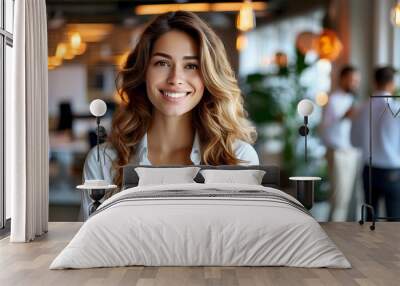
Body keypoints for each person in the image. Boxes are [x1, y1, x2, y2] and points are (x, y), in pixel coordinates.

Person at [80, 11, 259, 220]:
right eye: (162, 63)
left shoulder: (239, 159)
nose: (176, 79)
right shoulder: (103, 161)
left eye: (191, 66)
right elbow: (88, 244)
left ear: (209, 76)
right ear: (143, 71)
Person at [351, 66, 400, 220]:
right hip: (393, 170)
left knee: (371, 219)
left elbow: (354, 141)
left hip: (369, 169)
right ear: (392, 84)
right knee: (395, 219)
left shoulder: (362, 108)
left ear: (374, 82)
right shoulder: (396, 108)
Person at [320, 65, 362, 221]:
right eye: (352, 80)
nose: (355, 83)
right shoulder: (333, 100)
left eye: (357, 80)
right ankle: (335, 234)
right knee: (339, 197)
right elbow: (326, 127)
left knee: (353, 197)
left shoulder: (352, 99)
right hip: (338, 152)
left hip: (353, 152)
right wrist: (345, 116)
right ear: (343, 79)